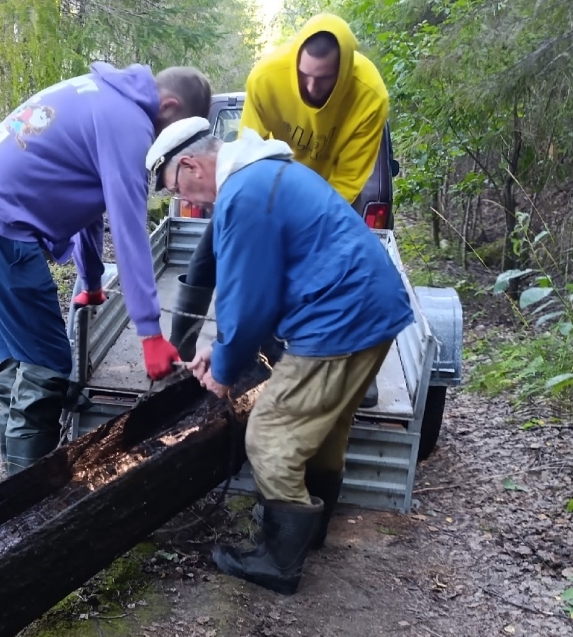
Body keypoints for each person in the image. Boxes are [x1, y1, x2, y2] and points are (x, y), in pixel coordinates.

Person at [146, 119, 414, 595]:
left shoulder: (243, 194)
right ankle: (311, 532)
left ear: (190, 165)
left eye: (175, 188)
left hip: (340, 322)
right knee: (325, 427)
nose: (185, 200)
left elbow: (248, 301)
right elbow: (261, 287)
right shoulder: (264, 173)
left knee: (270, 435)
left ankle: (277, 561)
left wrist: (224, 370)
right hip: (373, 312)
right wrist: (220, 349)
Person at [0, 65, 212, 475]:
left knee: (19, 357)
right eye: (174, 135)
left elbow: (88, 205)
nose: (168, 152)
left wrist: (91, 281)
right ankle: (26, 496)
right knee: (47, 363)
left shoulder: (103, 95)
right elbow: (129, 232)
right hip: (0, 221)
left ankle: (9, 486)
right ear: (170, 107)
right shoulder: (130, 126)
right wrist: (150, 334)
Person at [168, 13, 391, 373]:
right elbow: (246, 151)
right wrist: (244, 217)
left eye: (325, 78)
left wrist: (298, 231)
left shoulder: (369, 95)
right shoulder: (267, 76)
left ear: (345, 69)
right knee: (211, 257)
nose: (312, 87)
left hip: (319, 197)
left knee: (302, 277)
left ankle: (303, 360)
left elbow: (348, 180)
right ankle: (182, 354)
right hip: (262, 186)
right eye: (304, 76)